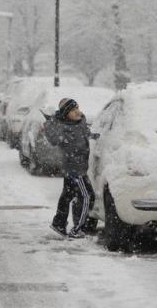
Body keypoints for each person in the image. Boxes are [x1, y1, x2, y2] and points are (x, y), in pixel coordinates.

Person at [44, 98, 99, 238]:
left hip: (78, 166)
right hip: (75, 168)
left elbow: (85, 133)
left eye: (78, 108)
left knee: (67, 195)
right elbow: (53, 139)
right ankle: (78, 229)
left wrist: (95, 135)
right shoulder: (62, 127)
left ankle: (59, 223)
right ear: (66, 114)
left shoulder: (79, 123)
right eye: (73, 110)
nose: (77, 112)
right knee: (87, 196)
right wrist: (50, 124)